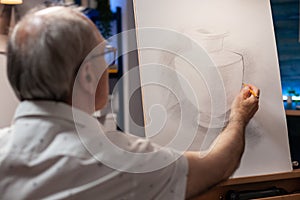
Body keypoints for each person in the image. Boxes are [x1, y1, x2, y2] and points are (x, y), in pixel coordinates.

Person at [0, 6, 259, 200]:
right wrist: (239, 116)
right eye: (105, 54)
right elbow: (217, 165)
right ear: (88, 74)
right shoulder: (121, 160)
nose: (108, 63)